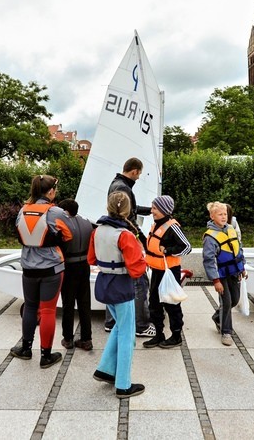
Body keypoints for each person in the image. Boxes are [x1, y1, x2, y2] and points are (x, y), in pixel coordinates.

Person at [10, 174, 72, 369]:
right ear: (51, 191)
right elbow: (68, 236)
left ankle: (25, 348)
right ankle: (46, 355)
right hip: (51, 268)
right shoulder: (57, 212)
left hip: (28, 267)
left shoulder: (23, 210)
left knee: (30, 306)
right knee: (47, 310)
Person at [90, 191, 147, 398]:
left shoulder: (97, 231)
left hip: (105, 282)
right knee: (128, 335)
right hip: (122, 286)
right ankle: (123, 384)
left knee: (119, 327)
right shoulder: (125, 235)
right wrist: (143, 259)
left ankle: (105, 369)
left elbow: (91, 259)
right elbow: (137, 269)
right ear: (128, 210)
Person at [105, 157, 154, 338]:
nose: (139, 177)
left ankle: (111, 323)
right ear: (134, 171)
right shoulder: (124, 187)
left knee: (115, 281)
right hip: (125, 238)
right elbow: (128, 217)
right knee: (140, 283)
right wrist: (142, 239)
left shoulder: (116, 183)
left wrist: (150, 209)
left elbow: (130, 209)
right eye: (139, 173)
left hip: (117, 239)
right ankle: (141, 325)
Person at [142, 195, 192, 349]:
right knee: (154, 303)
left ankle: (176, 336)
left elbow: (187, 247)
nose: (152, 211)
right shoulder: (156, 224)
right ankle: (159, 335)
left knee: (171, 303)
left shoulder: (172, 227)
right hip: (156, 270)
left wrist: (168, 250)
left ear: (164, 210)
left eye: (155, 208)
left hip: (169, 271)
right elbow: (152, 245)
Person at [202, 201, 247, 346]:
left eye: (225, 214)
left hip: (234, 272)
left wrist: (242, 267)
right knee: (226, 302)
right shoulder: (210, 237)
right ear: (212, 216)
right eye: (220, 214)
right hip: (221, 275)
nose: (223, 217)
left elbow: (238, 249)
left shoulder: (231, 229)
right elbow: (209, 260)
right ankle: (226, 332)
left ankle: (217, 317)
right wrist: (215, 281)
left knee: (234, 299)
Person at [56, 198, 95, 351]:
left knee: (68, 304)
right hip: (84, 265)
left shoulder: (62, 224)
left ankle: (68, 339)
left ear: (65, 211)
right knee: (85, 303)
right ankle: (86, 339)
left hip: (69, 266)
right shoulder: (87, 223)